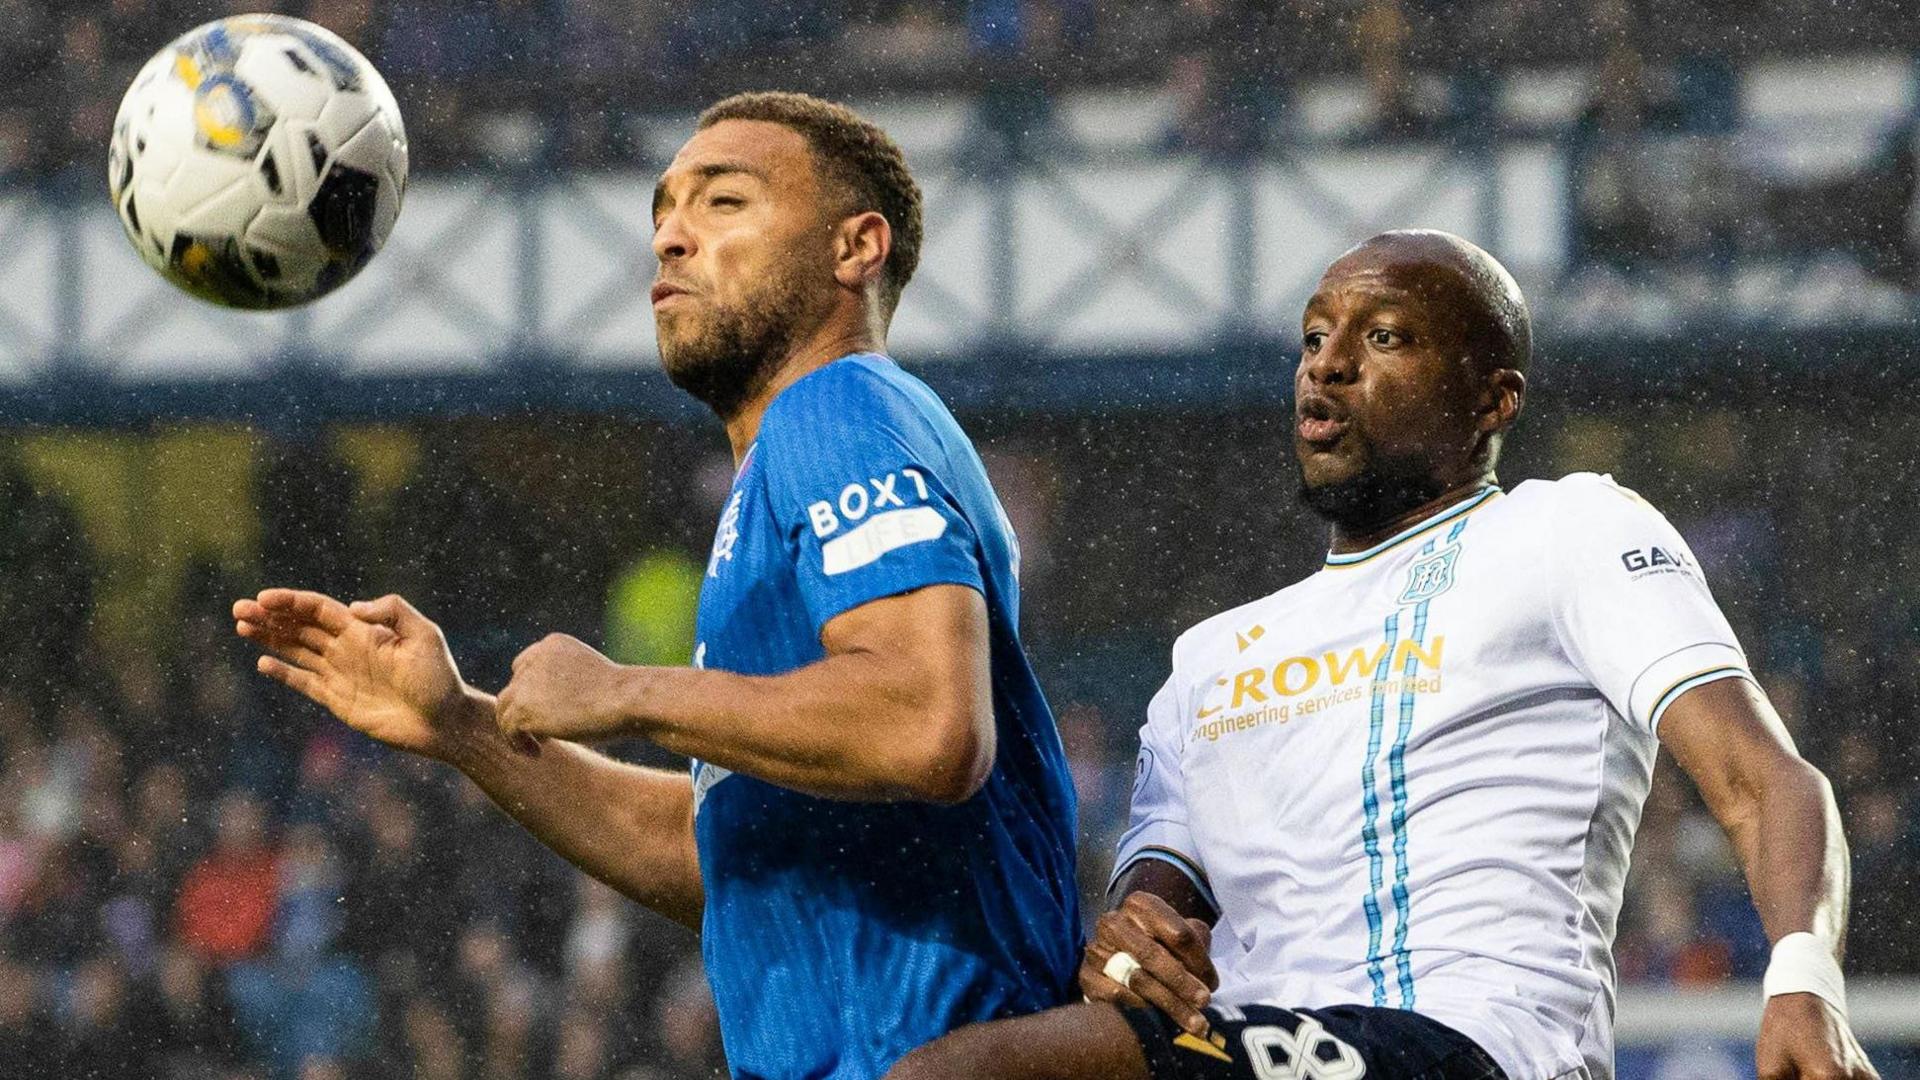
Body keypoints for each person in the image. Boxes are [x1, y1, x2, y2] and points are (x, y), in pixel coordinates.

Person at [886, 231, 1878, 1080]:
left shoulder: (1567, 531)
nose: (1327, 362)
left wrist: (1802, 976)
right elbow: (1152, 917)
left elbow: (1765, 782)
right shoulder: (1209, 661)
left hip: (1475, 1049)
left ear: (1493, 400)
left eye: (1386, 336)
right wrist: (1129, 946)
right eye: (1315, 337)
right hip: (1257, 1047)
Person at [233, 91, 1081, 1080]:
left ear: (857, 247)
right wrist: (464, 727)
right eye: (663, 212)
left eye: (724, 203)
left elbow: (929, 724)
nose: (671, 238)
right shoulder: (779, 474)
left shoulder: (837, 409)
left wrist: (626, 692)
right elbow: (731, 852)